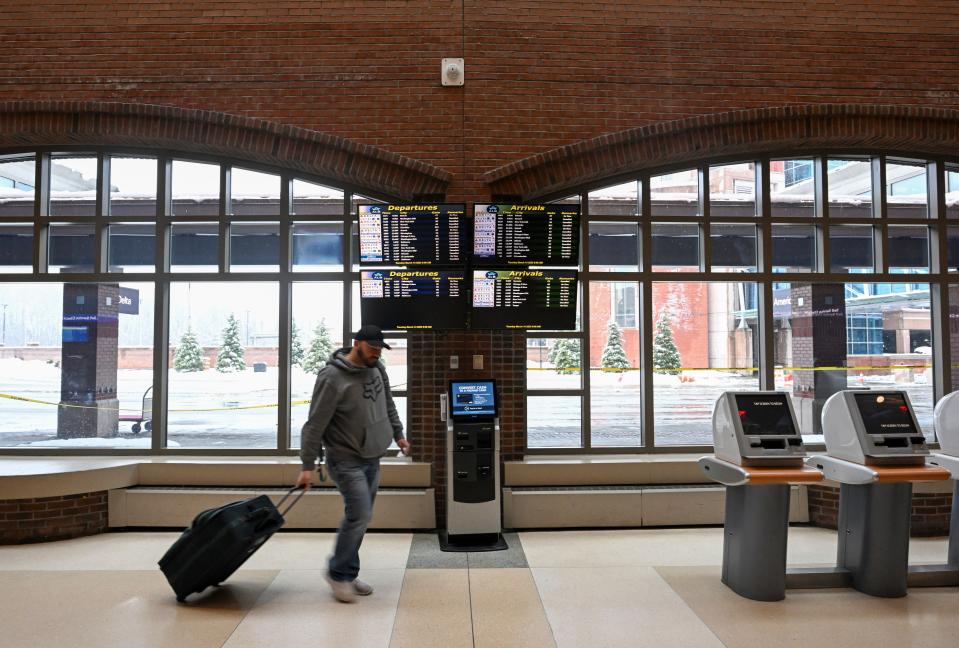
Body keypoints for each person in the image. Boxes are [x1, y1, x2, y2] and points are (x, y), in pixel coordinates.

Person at [295, 324, 411, 603]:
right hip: (345, 459)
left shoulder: (377, 368)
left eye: (379, 350)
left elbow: (388, 404)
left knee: (359, 516)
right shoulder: (332, 377)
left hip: (373, 456)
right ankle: (336, 573)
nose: (376, 354)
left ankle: (347, 571)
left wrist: (399, 435)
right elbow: (314, 425)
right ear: (356, 343)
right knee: (360, 514)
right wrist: (307, 465)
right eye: (371, 348)